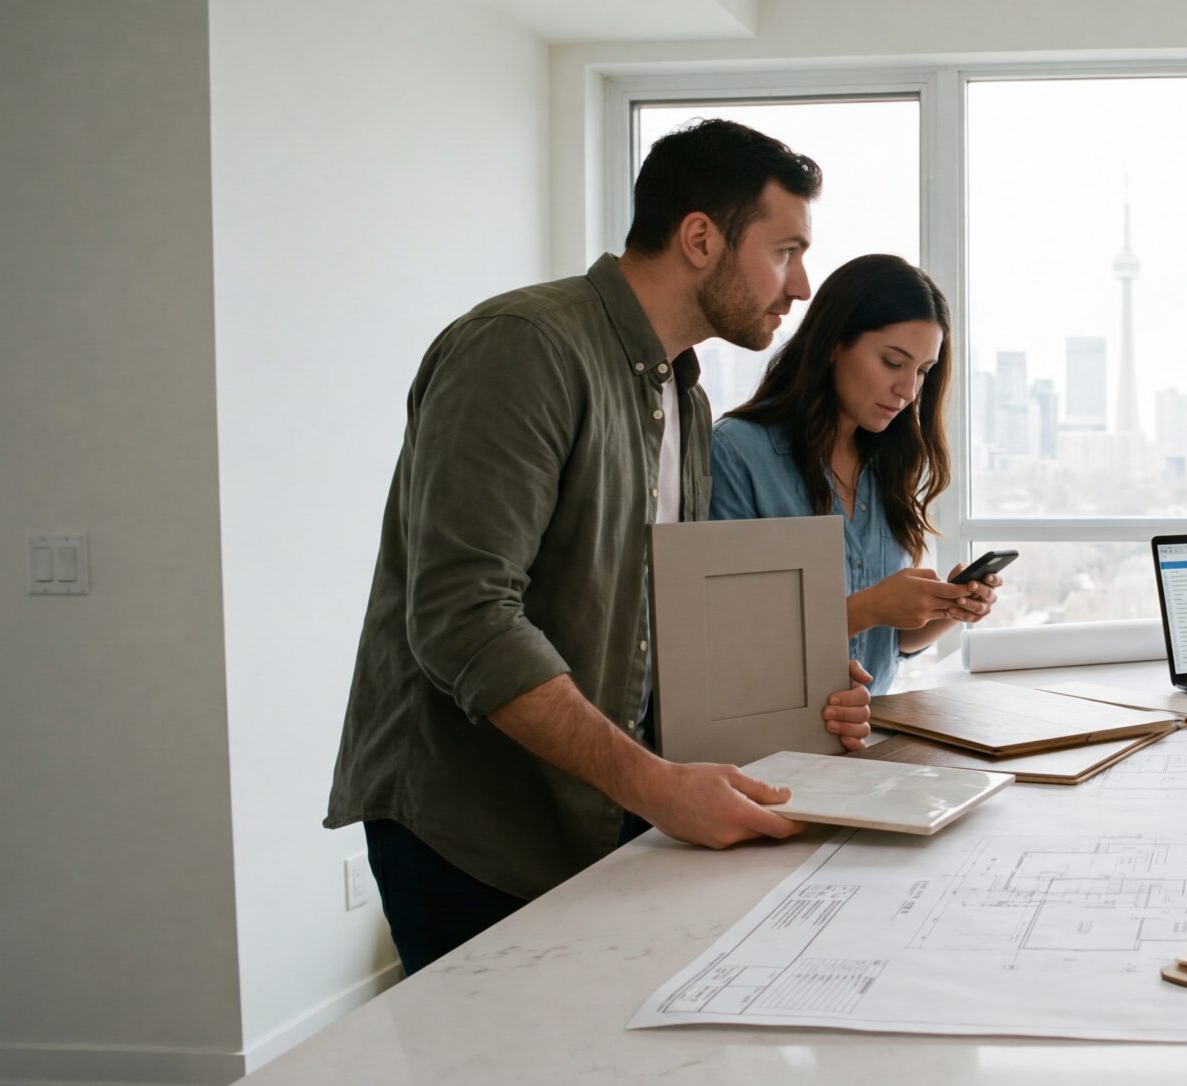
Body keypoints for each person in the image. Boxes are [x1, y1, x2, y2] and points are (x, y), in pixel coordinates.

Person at [326, 119, 878, 975]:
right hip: (474, 835)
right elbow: (464, 618)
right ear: (701, 238)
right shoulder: (524, 347)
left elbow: (667, 623)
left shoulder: (685, 402)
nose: (802, 285)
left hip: (599, 813)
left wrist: (800, 681)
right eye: (785, 250)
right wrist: (653, 785)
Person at [710, 254, 999, 694]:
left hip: (872, 738)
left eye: (923, 371)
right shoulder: (736, 454)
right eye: (892, 362)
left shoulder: (889, 463)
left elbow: (888, 644)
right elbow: (730, 638)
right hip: (774, 748)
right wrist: (871, 606)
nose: (908, 391)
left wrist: (945, 609)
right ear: (832, 343)